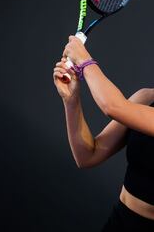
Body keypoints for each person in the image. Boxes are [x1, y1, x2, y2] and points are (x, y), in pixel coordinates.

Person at [53, 35, 154, 231]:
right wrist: (71, 101)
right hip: (121, 222)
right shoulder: (146, 98)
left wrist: (85, 61)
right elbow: (88, 155)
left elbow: (113, 106)